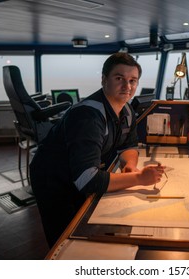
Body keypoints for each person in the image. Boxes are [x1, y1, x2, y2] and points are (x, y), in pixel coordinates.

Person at [30, 53, 165, 247]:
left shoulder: (126, 110)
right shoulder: (88, 117)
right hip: (53, 178)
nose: (127, 86)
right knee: (64, 239)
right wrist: (139, 179)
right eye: (119, 78)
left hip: (77, 172)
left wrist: (130, 165)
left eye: (132, 80)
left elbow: (129, 145)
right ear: (104, 80)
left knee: (82, 224)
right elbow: (88, 180)